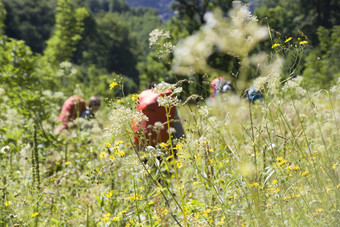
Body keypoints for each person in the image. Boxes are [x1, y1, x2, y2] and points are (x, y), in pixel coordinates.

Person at [133, 83, 185, 148]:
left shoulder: (142, 98)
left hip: (143, 143)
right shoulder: (167, 98)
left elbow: (135, 125)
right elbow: (177, 125)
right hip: (165, 143)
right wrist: (183, 140)